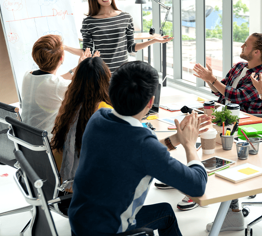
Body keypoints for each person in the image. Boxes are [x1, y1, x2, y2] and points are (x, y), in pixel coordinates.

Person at [68, 61, 211, 236]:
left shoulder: (98, 118)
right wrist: (190, 144)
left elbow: (135, 152)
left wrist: (177, 138)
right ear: (151, 101)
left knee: (165, 213)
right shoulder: (143, 145)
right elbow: (197, 186)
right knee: (166, 212)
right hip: (110, 230)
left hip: (80, 222)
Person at [63, 0, 173, 72]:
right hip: (101, 74)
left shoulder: (126, 17)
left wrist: (153, 40)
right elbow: (86, 52)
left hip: (122, 74)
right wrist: (65, 47)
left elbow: (131, 48)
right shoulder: (89, 22)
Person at [51, 57, 111, 190]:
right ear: (106, 80)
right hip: (88, 191)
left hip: (63, 184)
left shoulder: (69, 107)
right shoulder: (105, 111)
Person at [21, 34, 91, 139]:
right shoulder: (59, 86)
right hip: (48, 146)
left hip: (25, 142)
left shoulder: (27, 76)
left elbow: (50, 81)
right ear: (61, 58)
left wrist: (77, 67)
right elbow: (58, 84)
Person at [193, 32, 262, 114]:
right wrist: (208, 79)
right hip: (224, 114)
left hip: (243, 119)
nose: (242, 46)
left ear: (256, 52)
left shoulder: (261, 77)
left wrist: (212, 79)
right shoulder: (239, 66)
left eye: (246, 45)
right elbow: (219, 91)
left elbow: (235, 96)